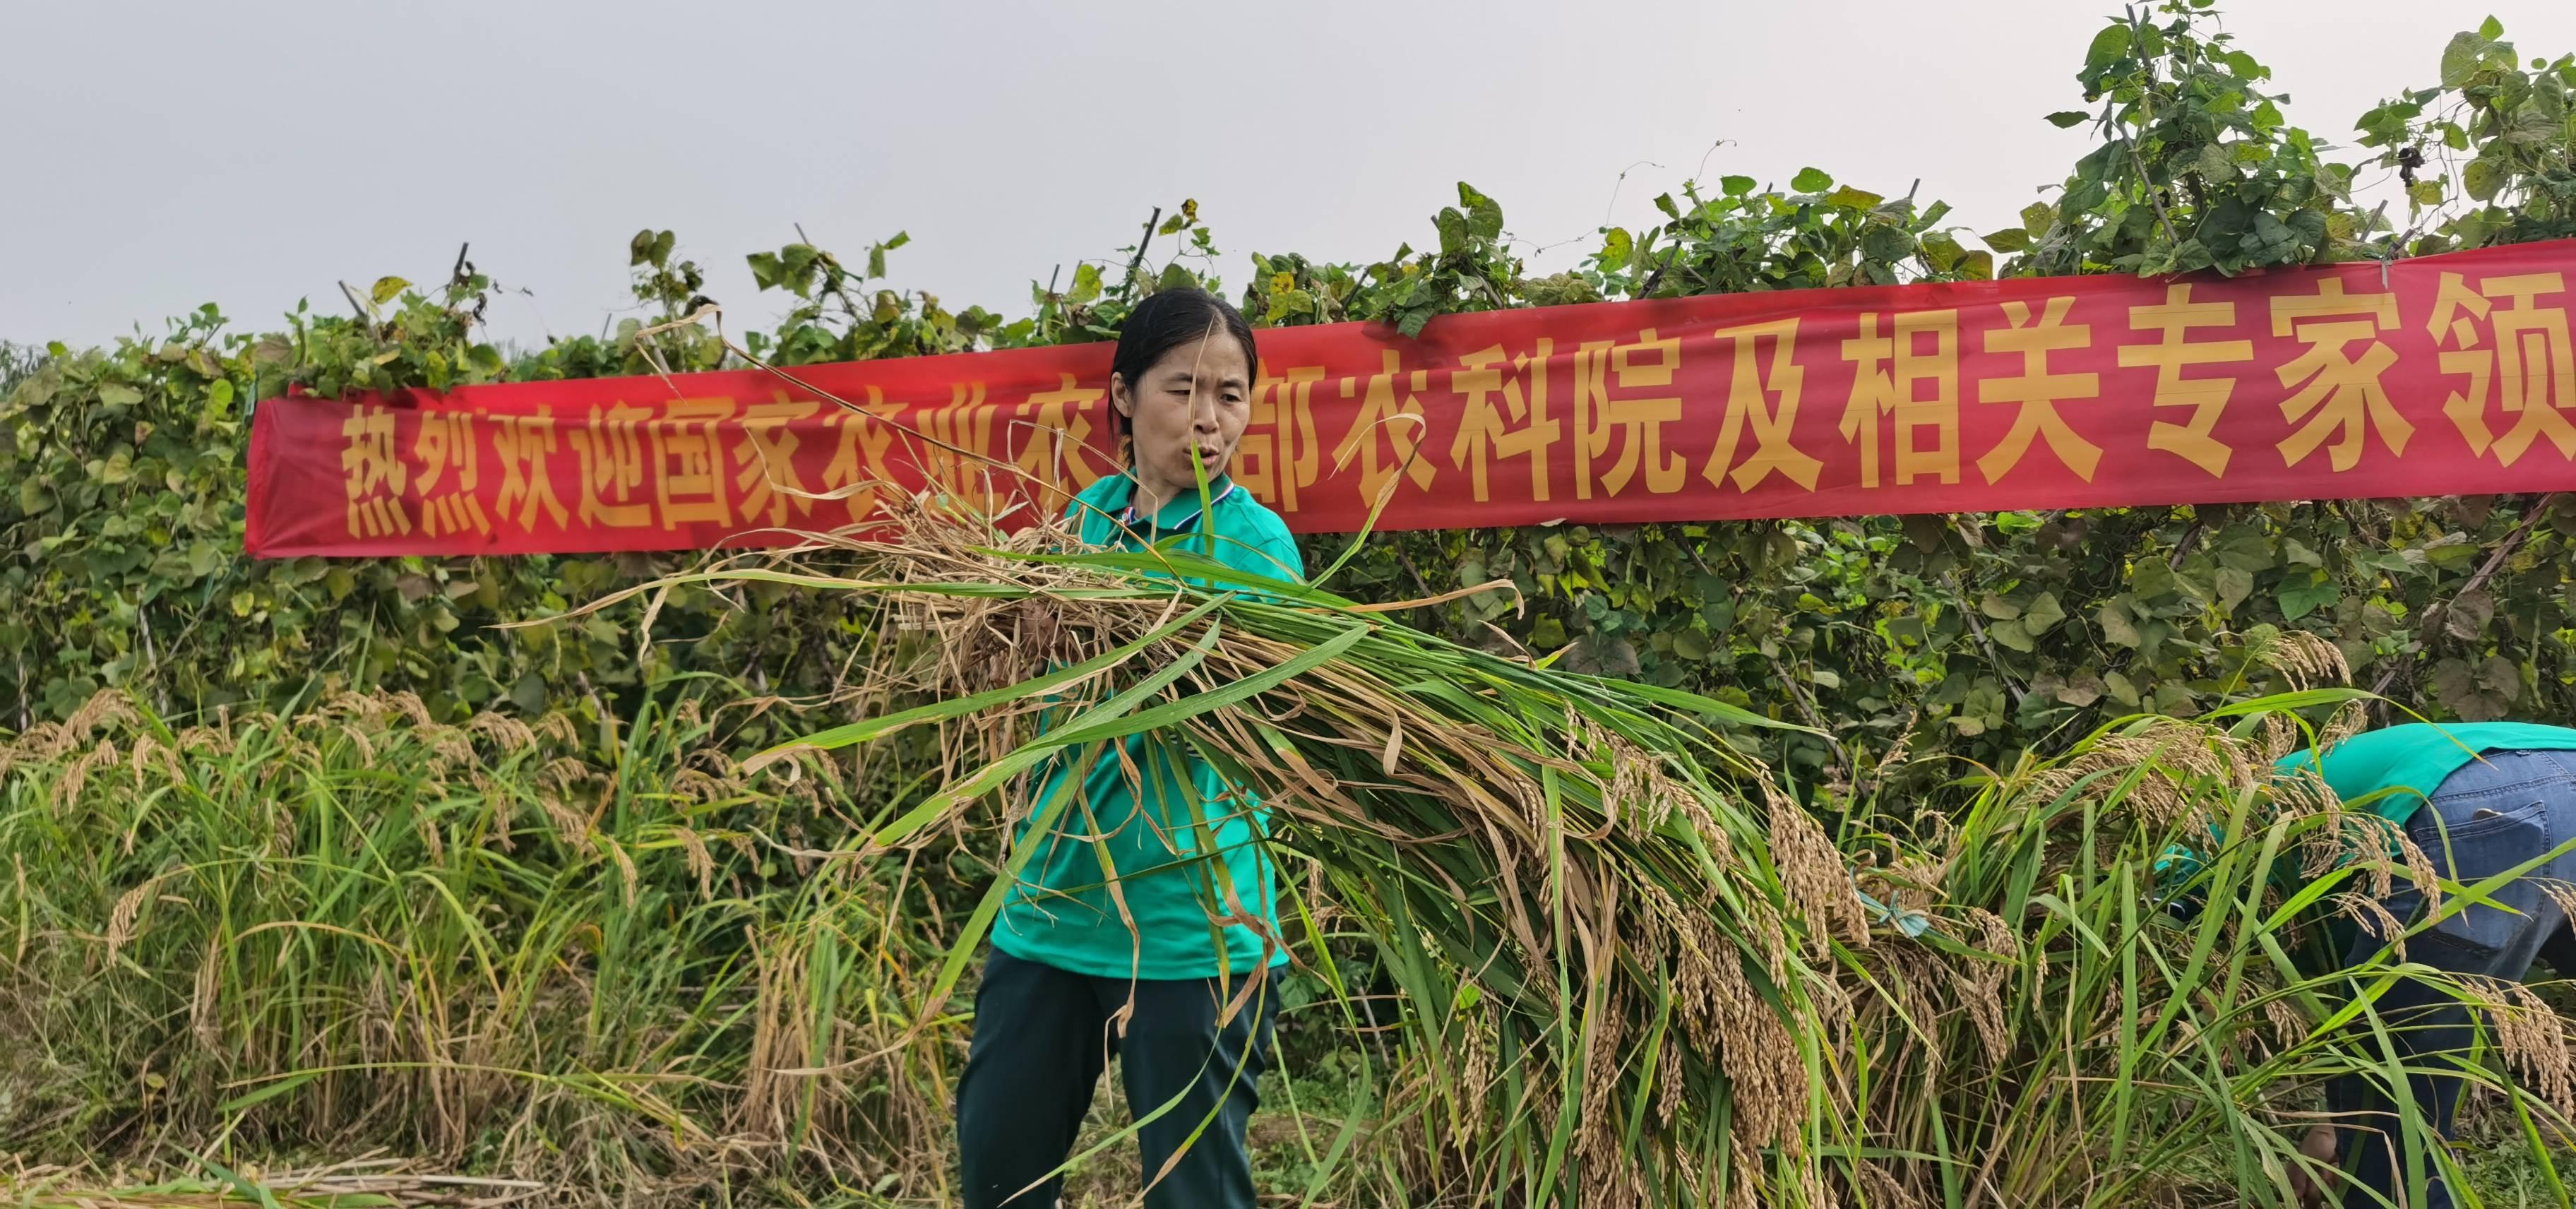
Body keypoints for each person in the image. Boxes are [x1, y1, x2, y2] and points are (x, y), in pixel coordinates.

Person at [953, 287, 1303, 1209]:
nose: (1207, 418)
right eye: (1182, 387)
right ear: (1122, 395)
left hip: (1196, 930)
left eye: (1231, 395)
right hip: (1052, 913)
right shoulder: (1080, 526)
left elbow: (1237, 708)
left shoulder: (1259, 549)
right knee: (999, 1177)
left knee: (1195, 1197)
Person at [2173, 722, 2576, 1209]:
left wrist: (2351, 1125)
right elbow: (2354, 992)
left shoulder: (2176, 860)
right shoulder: (2266, 801)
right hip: (2557, 767)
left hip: (2468, 807)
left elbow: (2370, 1034)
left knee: (2393, 1124)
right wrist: (2333, 1125)